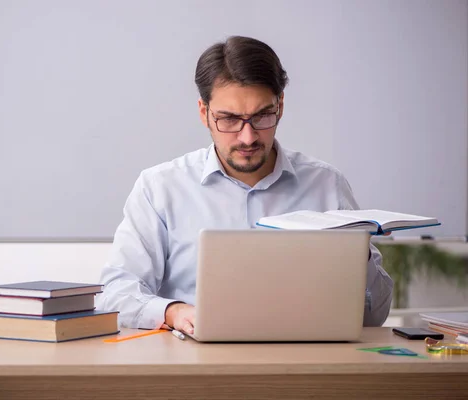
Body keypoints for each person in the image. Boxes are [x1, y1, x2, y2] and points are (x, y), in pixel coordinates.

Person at [96, 36, 393, 335]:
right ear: (204, 113)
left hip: (306, 366)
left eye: (262, 116)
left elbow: (374, 317)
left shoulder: (327, 185)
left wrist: (360, 255)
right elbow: (116, 294)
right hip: (194, 367)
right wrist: (174, 312)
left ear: (280, 106)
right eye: (229, 119)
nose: (248, 137)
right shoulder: (159, 188)